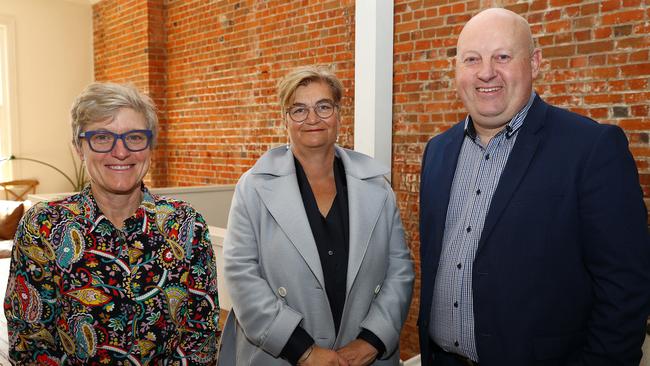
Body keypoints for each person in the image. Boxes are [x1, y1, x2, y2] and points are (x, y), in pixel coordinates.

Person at [418, 7, 650, 366]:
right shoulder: (438, 152)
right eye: (472, 59)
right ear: (457, 69)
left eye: (503, 56)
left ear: (535, 62)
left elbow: (625, 288)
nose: (486, 72)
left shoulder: (591, 149)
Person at [4, 82, 220, 365]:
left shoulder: (186, 225)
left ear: (150, 145)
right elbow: (31, 342)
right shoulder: (44, 226)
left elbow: (200, 337)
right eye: (103, 138)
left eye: (135, 137)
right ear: (79, 148)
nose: (121, 152)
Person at [218, 66, 414, 366]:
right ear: (285, 118)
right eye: (299, 109)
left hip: (362, 356)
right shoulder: (254, 187)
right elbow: (241, 274)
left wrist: (372, 340)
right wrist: (304, 350)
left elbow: (399, 270)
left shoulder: (377, 187)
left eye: (323, 106)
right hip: (283, 354)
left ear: (338, 113)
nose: (312, 118)